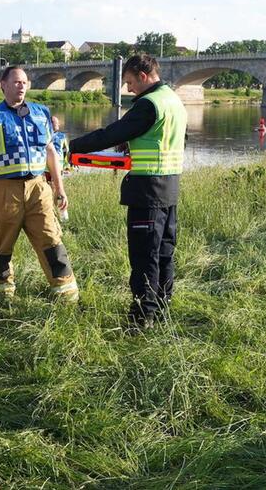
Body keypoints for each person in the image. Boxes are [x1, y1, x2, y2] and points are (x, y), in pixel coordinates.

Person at [68, 54, 186, 330]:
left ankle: (141, 318)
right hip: (169, 189)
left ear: (143, 77)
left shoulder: (148, 104)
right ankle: (162, 309)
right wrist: (135, 141)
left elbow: (111, 133)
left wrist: (71, 147)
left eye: (130, 82)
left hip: (147, 191)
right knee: (164, 254)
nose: (129, 89)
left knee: (143, 257)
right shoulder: (173, 100)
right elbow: (169, 137)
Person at [0, 65, 78, 301]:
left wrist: (59, 188)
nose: (22, 86)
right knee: (2, 244)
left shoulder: (41, 113)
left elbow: (51, 152)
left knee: (50, 238)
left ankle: (66, 294)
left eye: (25, 82)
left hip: (38, 187)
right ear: (3, 85)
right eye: (17, 82)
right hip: (4, 191)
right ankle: (2, 295)